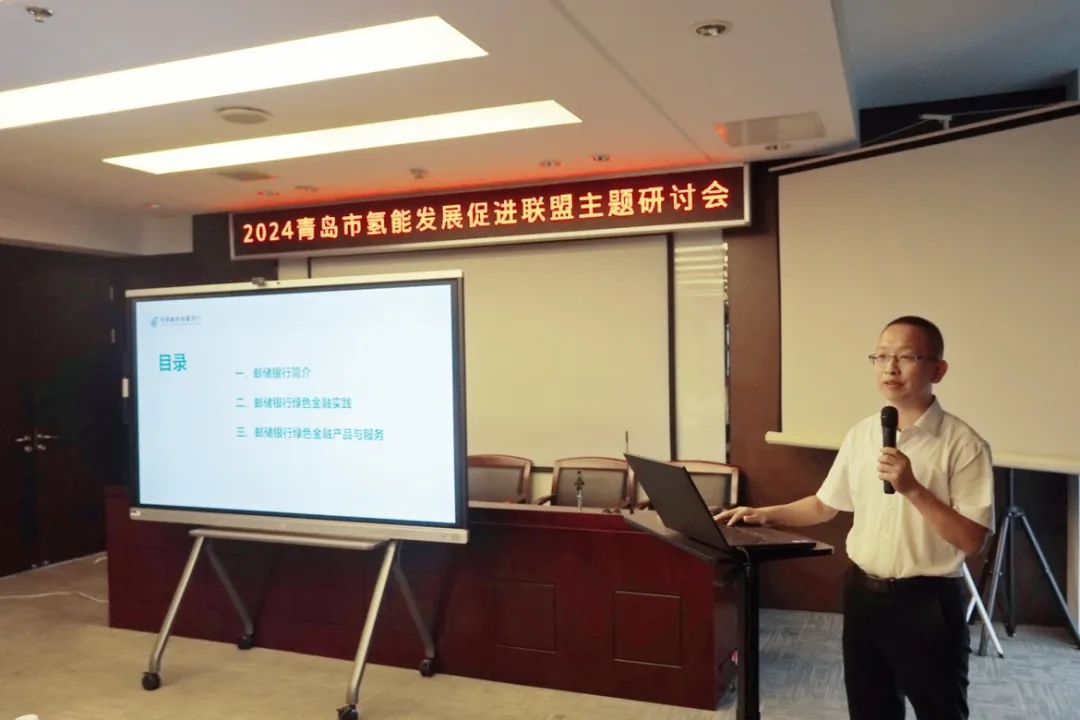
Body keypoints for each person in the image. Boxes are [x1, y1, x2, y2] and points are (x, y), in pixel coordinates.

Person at [716, 316, 993, 720]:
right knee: (869, 710)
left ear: (938, 370)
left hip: (928, 604)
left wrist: (913, 488)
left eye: (906, 357)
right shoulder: (862, 434)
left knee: (941, 711)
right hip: (863, 596)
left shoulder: (964, 445)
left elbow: (972, 540)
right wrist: (762, 514)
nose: (890, 368)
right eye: (881, 356)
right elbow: (824, 505)